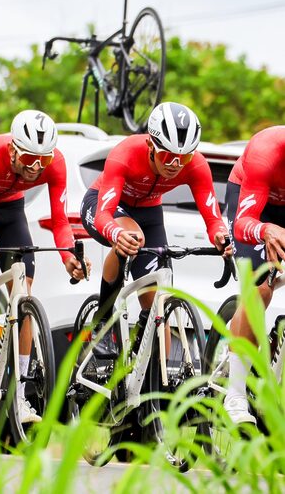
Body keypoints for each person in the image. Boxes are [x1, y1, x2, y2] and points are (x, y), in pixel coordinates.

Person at [0, 109, 90, 424]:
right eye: (28, 160)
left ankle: (21, 396)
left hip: (10, 207)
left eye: (43, 161)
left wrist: (69, 258)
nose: (35, 168)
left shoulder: (56, 164)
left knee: (23, 297)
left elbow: (60, 220)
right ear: (12, 149)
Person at [80, 102, 231, 358]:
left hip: (149, 212)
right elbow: (105, 214)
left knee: (158, 304)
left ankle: (147, 374)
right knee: (132, 237)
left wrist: (220, 236)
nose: (174, 164)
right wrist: (117, 235)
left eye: (183, 157)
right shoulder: (125, 153)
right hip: (103, 203)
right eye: (167, 155)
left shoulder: (195, 165)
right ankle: (101, 324)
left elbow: (213, 218)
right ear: (151, 144)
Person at [225, 125, 285, 424]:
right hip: (253, 205)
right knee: (261, 286)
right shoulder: (267, 150)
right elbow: (242, 223)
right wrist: (265, 229)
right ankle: (234, 395)